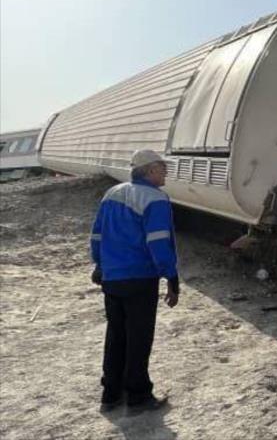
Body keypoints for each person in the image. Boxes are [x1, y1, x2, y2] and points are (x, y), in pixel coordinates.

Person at [90, 149, 179, 413]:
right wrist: (172, 278)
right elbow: (159, 242)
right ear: (150, 170)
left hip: (112, 278)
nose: (166, 171)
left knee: (116, 335)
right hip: (140, 277)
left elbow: (97, 234)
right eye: (163, 167)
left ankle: (110, 395)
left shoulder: (112, 193)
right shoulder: (155, 198)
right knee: (139, 338)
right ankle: (138, 397)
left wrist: (99, 265)